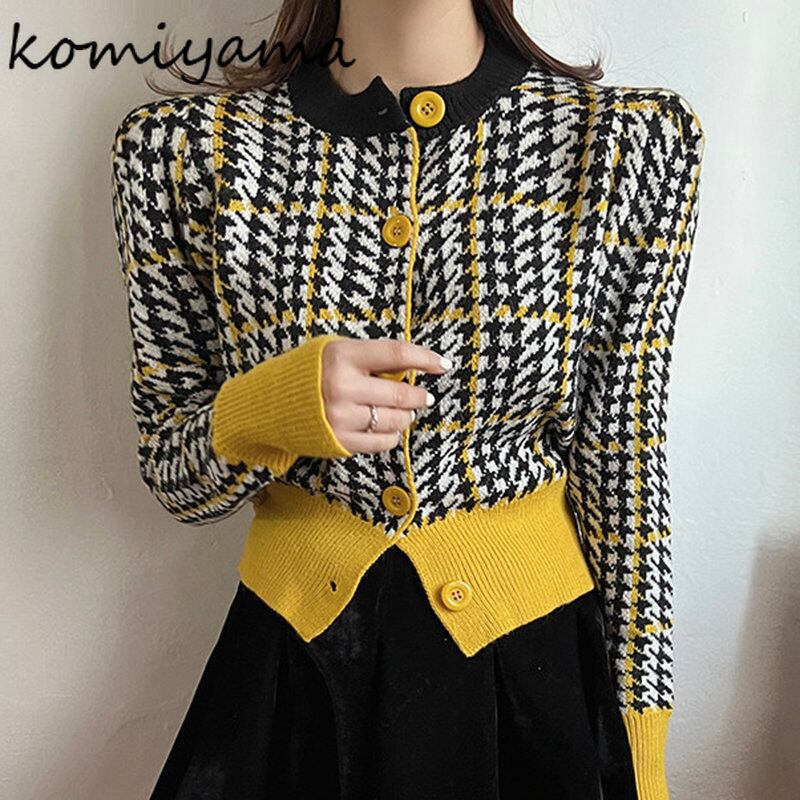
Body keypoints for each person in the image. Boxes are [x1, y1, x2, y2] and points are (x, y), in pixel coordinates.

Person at [109, 1, 706, 798]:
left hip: (532, 687)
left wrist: (641, 751)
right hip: (290, 687)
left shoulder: (624, 146)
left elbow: (622, 464)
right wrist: (267, 411)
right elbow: (171, 472)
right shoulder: (183, 153)